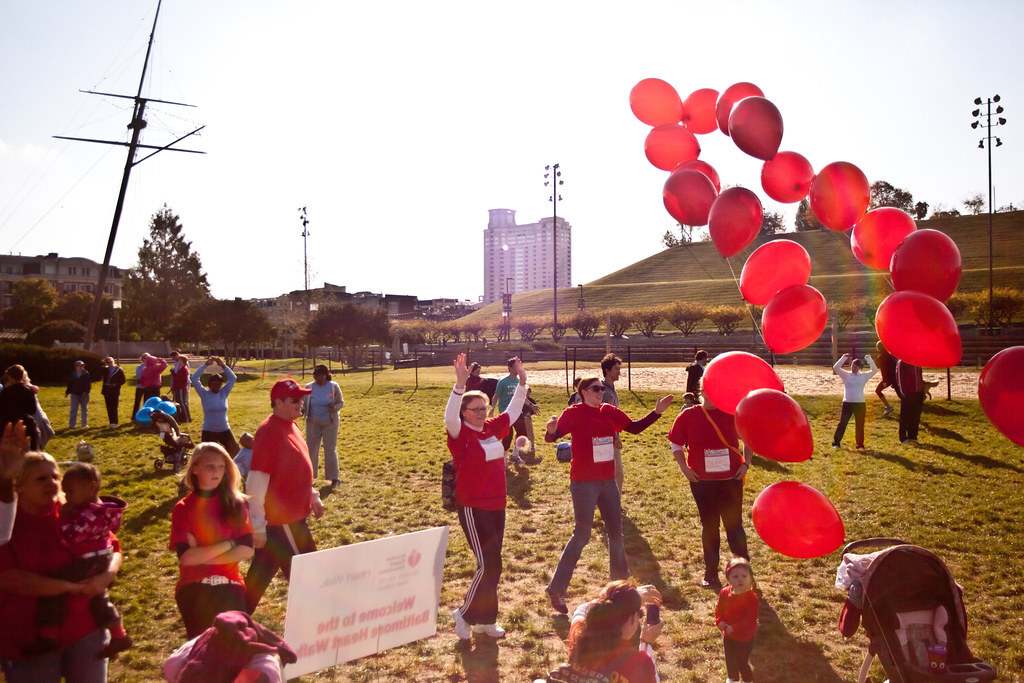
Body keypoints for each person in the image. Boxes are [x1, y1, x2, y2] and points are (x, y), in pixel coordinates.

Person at [543, 377, 673, 613]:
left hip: (608, 481)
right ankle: (557, 589)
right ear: (582, 391)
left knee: (616, 533)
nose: (601, 392)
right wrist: (550, 431)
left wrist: (656, 412)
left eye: (602, 389)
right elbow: (553, 436)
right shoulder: (574, 413)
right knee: (581, 535)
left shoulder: (609, 411)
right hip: (583, 483)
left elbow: (634, 428)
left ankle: (620, 589)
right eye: (596, 389)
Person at [0, 450, 124, 681]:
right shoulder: (6, 523)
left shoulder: (73, 511)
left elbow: (114, 548)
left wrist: (105, 576)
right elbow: (9, 578)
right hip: (29, 639)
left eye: (55, 477)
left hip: (86, 629)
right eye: (41, 479)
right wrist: (68, 587)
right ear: (19, 486)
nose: (52, 484)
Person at [446, 353, 528, 640]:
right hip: (473, 506)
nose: (481, 412)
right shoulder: (460, 434)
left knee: (492, 565)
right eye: (475, 408)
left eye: (483, 407)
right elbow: (449, 416)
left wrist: (522, 384)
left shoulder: (492, 428)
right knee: (490, 564)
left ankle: (485, 620)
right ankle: (465, 613)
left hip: (497, 505)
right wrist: (459, 386)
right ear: (464, 412)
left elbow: (514, 411)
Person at [27, 463, 131, 659]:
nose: (67, 496)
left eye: (70, 491)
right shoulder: (103, 511)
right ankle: (119, 635)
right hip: (101, 556)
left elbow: (70, 538)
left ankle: (48, 635)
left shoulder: (88, 515)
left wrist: (62, 518)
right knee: (98, 598)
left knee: (53, 590)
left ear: (91, 488)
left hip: (88, 560)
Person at [244, 379, 325, 613]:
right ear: (277, 403)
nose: (301, 403)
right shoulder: (270, 432)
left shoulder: (290, 425)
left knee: (260, 574)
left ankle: (231, 621)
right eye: (295, 400)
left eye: (302, 398)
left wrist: (311, 495)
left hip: (287, 519)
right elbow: (257, 482)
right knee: (308, 574)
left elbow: (296, 469)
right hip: (283, 521)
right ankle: (317, 622)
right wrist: (257, 524)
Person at [667, 388, 753, 590]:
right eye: (710, 390)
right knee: (710, 527)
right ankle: (711, 573)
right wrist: (684, 468)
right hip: (702, 482)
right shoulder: (689, 415)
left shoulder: (733, 413)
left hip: (731, 480)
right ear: (702, 391)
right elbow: (675, 443)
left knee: (734, 527)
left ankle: (745, 574)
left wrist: (746, 463)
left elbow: (749, 438)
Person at [170, 442, 254, 638]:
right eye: (210, 466)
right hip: (194, 588)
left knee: (236, 649)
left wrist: (203, 554)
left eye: (221, 466)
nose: (217, 471)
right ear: (195, 469)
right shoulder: (183, 508)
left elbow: (247, 550)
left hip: (230, 585)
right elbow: (187, 558)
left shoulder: (235, 504)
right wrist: (230, 543)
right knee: (205, 653)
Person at [562, 580, 662, 683]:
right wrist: (646, 643)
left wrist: (627, 599)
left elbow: (582, 609)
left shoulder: (579, 633)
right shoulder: (640, 662)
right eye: (639, 614)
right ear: (632, 619)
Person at [715, 557, 758, 683]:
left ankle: (748, 680)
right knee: (730, 660)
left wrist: (734, 627)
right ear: (728, 579)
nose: (740, 579)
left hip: (745, 637)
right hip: (728, 635)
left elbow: (749, 619)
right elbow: (719, 608)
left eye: (744, 576)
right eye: (735, 576)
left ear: (750, 578)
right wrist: (720, 621)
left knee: (741, 661)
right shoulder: (724, 592)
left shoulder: (751, 598)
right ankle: (733, 679)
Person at [302, 365, 344, 488]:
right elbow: (304, 404)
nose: (317, 378)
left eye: (319, 376)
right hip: (313, 423)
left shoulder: (333, 386)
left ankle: (333, 478)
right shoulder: (309, 387)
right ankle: (309, 477)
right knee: (311, 450)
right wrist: (301, 411)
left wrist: (334, 407)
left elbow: (340, 403)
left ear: (325, 375)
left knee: (330, 450)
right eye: (315, 376)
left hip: (329, 423)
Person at [191, 357, 240, 457]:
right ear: (209, 385)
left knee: (235, 453)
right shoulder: (204, 394)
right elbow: (194, 378)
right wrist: (206, 365)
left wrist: (223, 365)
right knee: (205, 457)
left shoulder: (224, 393)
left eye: (219, 384)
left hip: (224, 429)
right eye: (214, 384)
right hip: (209, 430)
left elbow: (233, 378)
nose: (217, 386)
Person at [831, 353, 878, 450]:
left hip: (860, 404)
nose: (853, 368)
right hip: (847, 403)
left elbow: (875, 370)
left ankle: (860, 445)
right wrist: (844, 357)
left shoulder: (864, 376)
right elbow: (836, 367)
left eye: (856, 367)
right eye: (852, 366)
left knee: (860, 425)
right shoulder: (846, 375)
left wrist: (868, 359)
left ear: (860, 368)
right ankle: (836, 443)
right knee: (842, 423)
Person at [599, 354, 626, 492]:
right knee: (617, 473)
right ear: (607, 370)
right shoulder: (604, 391)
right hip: (607, 438)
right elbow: (606, 418)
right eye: (616, 369)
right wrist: (615, 437)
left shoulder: (610, 389)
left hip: (610, 436)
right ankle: (614, 503)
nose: (619, 372)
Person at [0, 365, 40, 449]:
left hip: (9, 424)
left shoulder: (6, 392)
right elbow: (32, 410)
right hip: (26, 424)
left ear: (10, 377)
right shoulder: (28, 391)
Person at [495, 358, 530, 449]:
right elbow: (496, 396)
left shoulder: (520, 381)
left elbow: (522, 397)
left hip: (517, 411)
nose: (517, 369)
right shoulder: (502, 382)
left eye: (519, 367)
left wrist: (532, 405)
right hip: (506, 412)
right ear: (510, 368)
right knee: (508, 435)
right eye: (515, 367)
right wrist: (492, 408)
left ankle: (515, 454)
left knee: (522, 433)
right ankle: (503, 456)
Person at [894, 358, 925, 445]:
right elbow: (899, 378)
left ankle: (913, 436)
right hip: (908, 394)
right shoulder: (902, 362)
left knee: (915, 416)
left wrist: (921, 391)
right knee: (905, 417)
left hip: (918, 393)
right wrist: (903, 393)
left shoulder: (917, 361)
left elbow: (920, 376)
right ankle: (903, 438)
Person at [100, 357, 126, 427]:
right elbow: (97, 368)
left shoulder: (119, 370)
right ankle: (111, 422)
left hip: (115, 390)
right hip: (107, 390)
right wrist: (103, 360)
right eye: (108, 362)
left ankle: (115, 422)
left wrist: (116, 384)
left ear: (113, 361)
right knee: (109, 407)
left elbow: (123, 380)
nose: (110, 363)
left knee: (114, 407)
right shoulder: (105, 370)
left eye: (111, 361)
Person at [65, 361, 91, 429]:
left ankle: (84, 424)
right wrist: (67, 392)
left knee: (84, 409)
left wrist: (86, 391)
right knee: (73, 409)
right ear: (76, 366)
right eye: (79, 366)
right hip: (75, 394)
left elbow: (88, 384)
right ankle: (72, 425)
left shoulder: (86, 374)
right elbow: (70, 384)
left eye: (82, 366)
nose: (81, 367)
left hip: (84, 395)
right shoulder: (73, 374)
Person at [874, 341, 896, 417]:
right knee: (901, 394)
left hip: (888, 379)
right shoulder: (890, 356)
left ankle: (888, 407)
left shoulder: (881, 357)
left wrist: (885, 381)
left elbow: (884, 370)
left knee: (878, 390)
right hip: (894, 378)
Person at [169, 352, 192, 424]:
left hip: (181, 388)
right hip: (178, 387)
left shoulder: (184, 369)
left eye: (179, 361)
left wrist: (175, 375)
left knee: (182, 402)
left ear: (183, 361)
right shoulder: (181, 368)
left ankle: (187, 418)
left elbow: (181, 379)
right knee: (180, 402)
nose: (178, 362)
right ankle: (183, 417)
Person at [131, 357, 146, 421]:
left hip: (148, 387)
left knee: (146, 402)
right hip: (140, 387)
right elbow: (138, 376)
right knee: (137, 402)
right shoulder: (139, 367)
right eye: (145, 358)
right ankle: (134, 417)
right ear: (142, 359)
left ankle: (145, 417)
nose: (146, 360)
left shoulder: (151, 366)